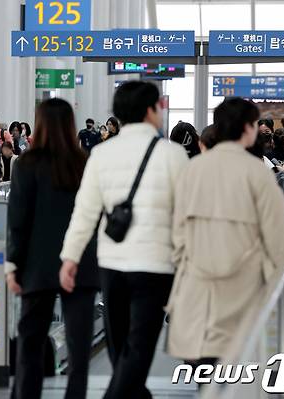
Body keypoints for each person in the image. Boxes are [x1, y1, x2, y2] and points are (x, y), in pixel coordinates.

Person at [60, 81, 188, 399]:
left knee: (121, 350)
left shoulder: (101, 154)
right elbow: (187, 217)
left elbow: (84, 213)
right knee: (139, 349)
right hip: (156, 266)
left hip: (112, 265)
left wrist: (70, 258)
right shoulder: (173, 155)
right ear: (149, 110)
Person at [166, 98, 284, 370]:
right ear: (249, 129)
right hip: (243, 294)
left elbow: (176, 236)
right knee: (237, 374)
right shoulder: (257, 173)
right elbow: (283, 239)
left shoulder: (191, 171)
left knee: (204, 370)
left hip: (198, 291)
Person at [7, 98, 99, 399]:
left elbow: (18, 221)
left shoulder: (25, 165)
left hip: (37, 266)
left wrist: (12, 266)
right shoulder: (85, 164)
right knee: (79, 346)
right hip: (80, 264)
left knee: (30, 343)